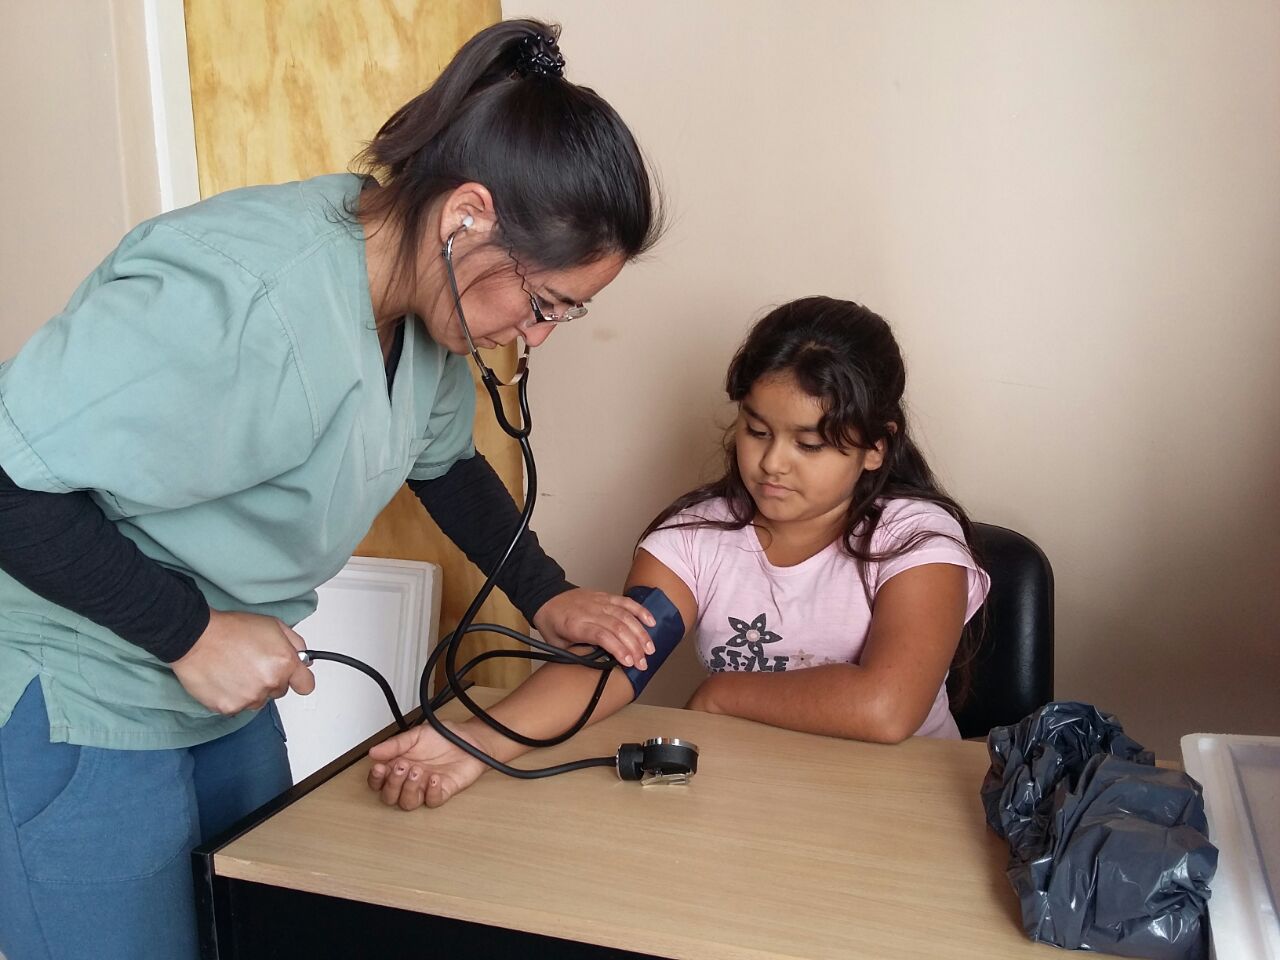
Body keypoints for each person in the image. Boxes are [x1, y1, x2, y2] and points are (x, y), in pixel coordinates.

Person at [0, 19, 662, 960]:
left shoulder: (417, 312)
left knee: (271, 919)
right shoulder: (237, 292)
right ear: (467, 213)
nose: (536, 335)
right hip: (80, 684)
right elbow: (8, 480)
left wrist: (547, 597)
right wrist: (189, 633)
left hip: (215, 693)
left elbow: (444, 464)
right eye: (544, 301)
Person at [368, 296, 991, 811]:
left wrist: (725, 694)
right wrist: (477, 740)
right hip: (753, 797)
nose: (773, 462)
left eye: (810, 443)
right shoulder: (695, 539)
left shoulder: (915, 539)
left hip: (904, 802)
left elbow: (887, 707)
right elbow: (612, 666)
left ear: (877, 448)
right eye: (756, 431)